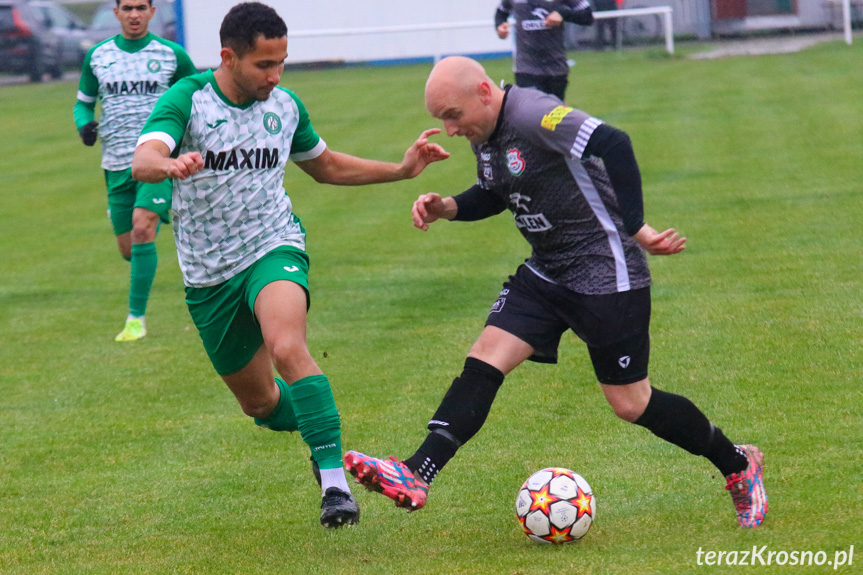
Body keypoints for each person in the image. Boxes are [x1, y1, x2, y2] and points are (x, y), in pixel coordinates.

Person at [344, 56, 768, 529]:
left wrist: (636, 228)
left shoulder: (533, 114)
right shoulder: (484, 134)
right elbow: (494, 192)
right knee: (486, 357)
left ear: (484, 92)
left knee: (631, 403)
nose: (447, 128)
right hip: (547, 272)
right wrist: (445, 207)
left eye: (452, 115)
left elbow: (615, 142)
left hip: (606, 272)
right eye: (439, 119)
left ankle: (737, 463)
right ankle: (415, 472)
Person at [131, 2, 448, 528]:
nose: (275, 75)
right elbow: (144, 158)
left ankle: (336, 489)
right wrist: (169, 163)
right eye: (263, 65)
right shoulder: (188, 100)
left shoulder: (285, 105)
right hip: (208, 275)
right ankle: (323, 432)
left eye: (282, 62)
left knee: (287, 345)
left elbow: (324, 166)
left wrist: (402, 169)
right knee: (261, 406)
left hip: (273, 245)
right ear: (228, 57)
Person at [74, 0, 197, 342]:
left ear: (152, 12)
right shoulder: (97, 56)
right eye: (127, 7)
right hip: (115, 163)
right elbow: (84, 102)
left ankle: (135, 320)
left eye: (141, 7)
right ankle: (149, 221)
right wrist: (85, 125)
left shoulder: (172, 54)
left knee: (143, 228)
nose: (134, 14)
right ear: (116, 13)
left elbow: (198, 97)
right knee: (129, 248)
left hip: (157, 159)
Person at [494, 0, 594, 101]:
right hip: (526, 68)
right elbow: (501, 11)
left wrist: (563, 14)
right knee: (531, 111)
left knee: (553, 114)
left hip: (555, 68)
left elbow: (587, 16)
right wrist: (500, 26)